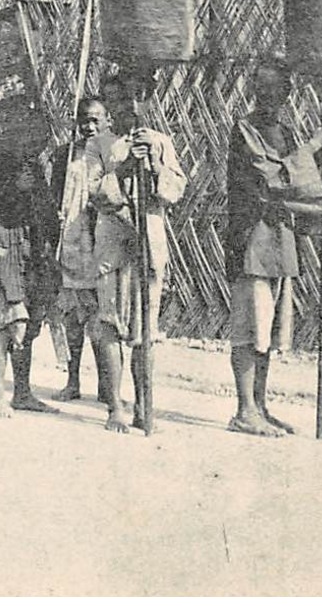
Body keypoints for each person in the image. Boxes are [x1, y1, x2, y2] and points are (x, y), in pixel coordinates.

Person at [225, 60, 322, 438]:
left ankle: (260, 404)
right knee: (249, 327)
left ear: (287, 94)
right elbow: (270, 178)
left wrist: (321, 160)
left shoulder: (285, 132)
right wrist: (313, 148)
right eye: (261, 87)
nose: (267, 95)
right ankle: (243, 409)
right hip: (251, 238)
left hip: (280, 239)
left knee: (267, 329)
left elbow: (304, 183)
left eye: (275, 88)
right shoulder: (245, 131)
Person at [89, 70, 187, 433]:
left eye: (136, 97)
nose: (128, 106)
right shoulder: (99, 143)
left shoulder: (160, 140)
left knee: (145, 329)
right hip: (114, 240)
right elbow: (94, 190)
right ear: (109, 103)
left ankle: (145, 405)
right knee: (111, 322)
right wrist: (125, 166)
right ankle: (115, 406)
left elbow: (175, 187)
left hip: (149, 237)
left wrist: (155, 166)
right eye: (119, 99)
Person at [49, 98, 117, 405]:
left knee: (101, 319)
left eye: (95, 119)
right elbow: (54, 196)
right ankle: (72, 379)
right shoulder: (65, 154)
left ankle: (107, 386)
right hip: (72, 243)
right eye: (84, 120)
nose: (89, 126)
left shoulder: (113, 152)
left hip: (100, 244)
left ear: (107, 120)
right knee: (72, 318)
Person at [0, 151, 60, 417]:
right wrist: (12, 188)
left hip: (34, 256)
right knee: (6, 325)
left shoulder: (35, 165)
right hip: (7, 254)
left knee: (28, 328)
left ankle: (23, 392)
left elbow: (47, 210)